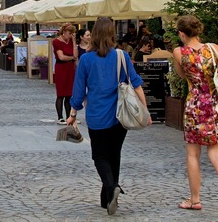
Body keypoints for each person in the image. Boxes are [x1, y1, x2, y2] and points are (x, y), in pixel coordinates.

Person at [67, 17, 149, 215]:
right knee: (114, 154)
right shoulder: (121, 56)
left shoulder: (86, 59)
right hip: (119, 116)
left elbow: (78, 91)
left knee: (99, 156)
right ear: (112, 34)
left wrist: (72, 113)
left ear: (93, 35)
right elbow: (136, 83)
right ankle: (107, 199)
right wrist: (145, 112)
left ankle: (111, 188)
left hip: (96, 115)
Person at [172, 15, 218, 218]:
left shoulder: (179, 52)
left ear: (181, 34)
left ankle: (195, 199)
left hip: (195, 107)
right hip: (216, 105)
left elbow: (181, 75)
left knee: (193, 154)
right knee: (217, 155)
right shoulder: (213, 48)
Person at [53, 23, 77, 124]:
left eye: (72, 33)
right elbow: (61, 57)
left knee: (69, 94)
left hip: (70, 68)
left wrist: (74, 41)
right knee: (61, 94)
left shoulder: (71, 41)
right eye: (69, 33)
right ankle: (60, 117)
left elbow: (76, 54)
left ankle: (68, 116)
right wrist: (72, 58)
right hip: (61, 68)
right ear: (63, 32)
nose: (70, 35)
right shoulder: (56, 42)